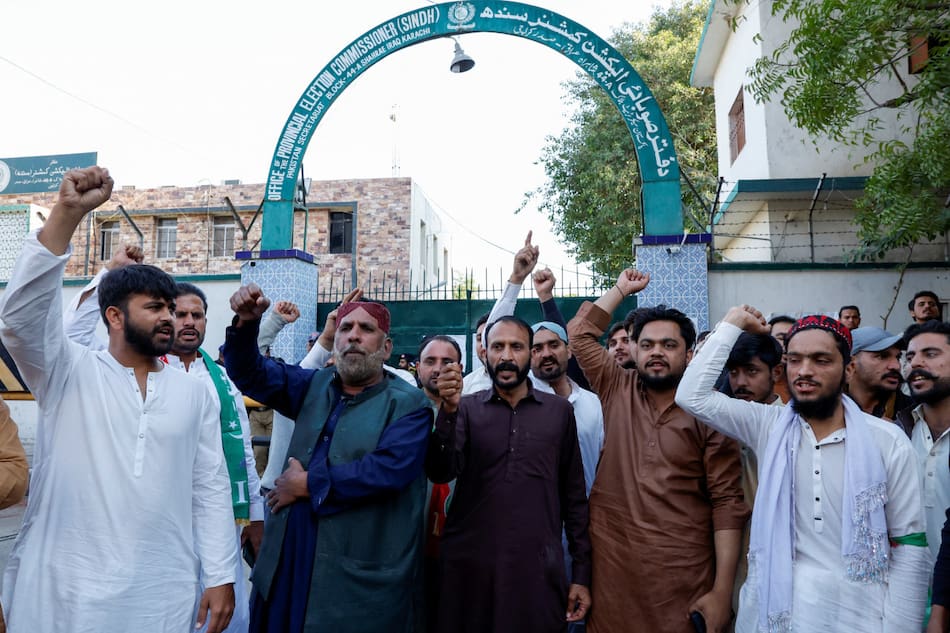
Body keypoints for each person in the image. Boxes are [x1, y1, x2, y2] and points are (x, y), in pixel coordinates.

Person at [0, 167, 237, 633]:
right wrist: (66, 215)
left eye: (170, 307)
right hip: (64, 591)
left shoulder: (195, 390)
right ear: (112, 316)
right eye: (155, 307)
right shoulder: (68, 372)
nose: (169, 317)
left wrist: (221, 572)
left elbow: (209, 485)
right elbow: (22, 319)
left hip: (162, 592)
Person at [676, 308, 930, 632]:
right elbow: (691, 395)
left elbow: (909, 547)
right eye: (795, 360)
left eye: (821, 360)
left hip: (858, 619)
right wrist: (733, 323)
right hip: (771, 616)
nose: (804, 371)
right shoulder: (766, 426)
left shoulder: (887, 441)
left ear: (848, 368)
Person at [63, 259, 265, 633]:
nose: (186, 321)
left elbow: (237, 457)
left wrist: (254, 514)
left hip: (217, 516)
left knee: (222, 616)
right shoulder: (131, 367)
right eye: (176, 312)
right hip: (148, 522)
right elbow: (69, 338)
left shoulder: (221, 377)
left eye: (195, 315)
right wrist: (106, 276)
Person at [223, 287, 432, 632]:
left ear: (386, 348)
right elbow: (249, 374)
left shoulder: (409, 404)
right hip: (289, 557)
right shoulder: (313, 385)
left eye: (366, 330)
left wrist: (308, 484)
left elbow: (388, 470)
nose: (353, 336)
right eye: (346, 328)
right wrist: (247, 322)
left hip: (353, 569)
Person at [567, 269, 749, 633]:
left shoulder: (710, 410)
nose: (656, 354)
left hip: (681, 574)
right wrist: (620, 290)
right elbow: (580, 333)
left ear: (690, 352)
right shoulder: (616, 384)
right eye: (647, 345)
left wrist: (721, 592)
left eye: (669, 345)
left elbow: (727, 505)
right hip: (612, 568)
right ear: (632, 349)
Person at [426, 315, 592, 633]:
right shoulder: (466, 408)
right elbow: (439, 471)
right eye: (497, 346)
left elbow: (574, 499)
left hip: (537, 570)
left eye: (516, 346)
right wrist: (447, 413)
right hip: (469, 569)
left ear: (530, 353)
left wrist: (581, 574)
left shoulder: (559, 412)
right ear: (484, 353)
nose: (506, 356)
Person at [415, 334, 463, 632]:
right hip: (410, 548)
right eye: (430, 361)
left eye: (447, 362)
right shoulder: (399, 411)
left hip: (457, 552)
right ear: (417, 367)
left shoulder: (476, 413)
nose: (438, 368)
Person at [901, 321, 950, 570]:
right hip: (909, 591)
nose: (915, 363)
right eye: (910, 357)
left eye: (930, 354)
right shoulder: (899, 431)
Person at [846, 326, 913, 421]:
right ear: (851, 364)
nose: (896, 366)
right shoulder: (828, 411)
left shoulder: (915, 414)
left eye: (898, 357)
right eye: (882, 356)